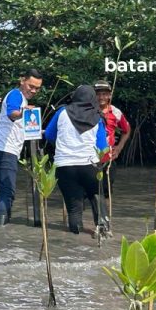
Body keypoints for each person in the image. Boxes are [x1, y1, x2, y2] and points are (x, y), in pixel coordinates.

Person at [44, 85, 109, 234]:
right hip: (90, 166)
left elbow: (48, 134)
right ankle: (103, 233)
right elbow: (102, 147)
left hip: (64, 167)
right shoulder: (97, 117)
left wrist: (61, 144)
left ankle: (76, 239)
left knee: (74, 208)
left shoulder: (61, 112)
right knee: (97, 198)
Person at [0, 69, 43, 225]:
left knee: (6, 190)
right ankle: (1, 229)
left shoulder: (21, 99)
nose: (33, 90)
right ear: (22, 80)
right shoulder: (16, 95)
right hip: (4, 151)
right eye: (31, 86)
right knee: (7, 191)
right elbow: (12, 113)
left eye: (37, 88)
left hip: (2, 150)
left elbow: (20, 125)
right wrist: (24, 111)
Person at [93, 80, 131, 198]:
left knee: (106, 192)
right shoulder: (88, 110)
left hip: (108, 159)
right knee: (87, 191)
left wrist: (119, 148)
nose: (101, 97)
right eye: (98, 94)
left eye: (104, 94)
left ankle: (106, 216)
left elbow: (127, 130)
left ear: (109, 95)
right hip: (88, 158)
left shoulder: (115, 112)